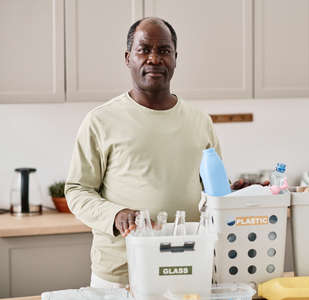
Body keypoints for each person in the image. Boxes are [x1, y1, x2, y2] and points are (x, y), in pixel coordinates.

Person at [65, 17, 222, 288]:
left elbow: (215, 191)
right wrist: (115, 215)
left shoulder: (200, 122)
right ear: (128, 58)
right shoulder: (101, 120)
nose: (154, 58)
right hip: (121, 275)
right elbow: (77, 190)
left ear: (175, 58)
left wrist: (245, 194)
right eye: (144, 49)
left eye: (164, 51)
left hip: (188, 268)